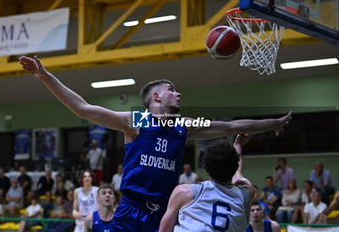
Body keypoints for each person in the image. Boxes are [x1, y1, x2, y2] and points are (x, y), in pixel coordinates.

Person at [19, 55, 292, 232]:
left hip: (163, 213)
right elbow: (83, 108)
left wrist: (274, 124)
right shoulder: (135, 121)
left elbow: (231, 127)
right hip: (130, 210)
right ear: (156, 98)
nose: (178, 93)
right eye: (172, 89)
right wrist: (46, 77)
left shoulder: (183, 126)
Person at [159, 134, 254, 232]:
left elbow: (164, 229)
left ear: (206, 167)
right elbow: (237, 174)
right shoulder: (246, 195)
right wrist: (238, 145)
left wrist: (237, 146)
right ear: (234, 168)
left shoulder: (184, 192)